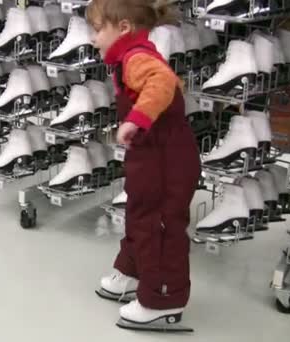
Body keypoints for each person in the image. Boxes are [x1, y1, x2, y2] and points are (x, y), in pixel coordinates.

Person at [87, 0, 202, 328]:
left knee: (160, 222)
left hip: (167, 159)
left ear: (123, 28)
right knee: (140, 212)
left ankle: (163, 298)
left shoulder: (137, 57)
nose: (93, 38)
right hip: (150, 157)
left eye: (97, 30)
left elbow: (163, 83)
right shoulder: (128, 57)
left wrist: (136, 119)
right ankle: (134, 272)